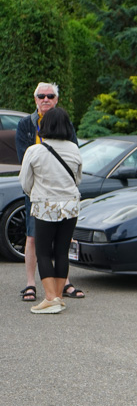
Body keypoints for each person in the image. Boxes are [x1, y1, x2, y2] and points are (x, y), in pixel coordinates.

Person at [16, 82, 83, 303]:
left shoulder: (41, 147)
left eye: (50, 95)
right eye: (41, 96)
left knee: (46, 250)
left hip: (44, 200)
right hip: (62, 200)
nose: (45, 99)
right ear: (35, 99)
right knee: (38, 241)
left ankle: (54, 296)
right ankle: (31, 284)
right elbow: (78, 176)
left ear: (56, 99)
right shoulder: (26, 125)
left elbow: (25, 178)